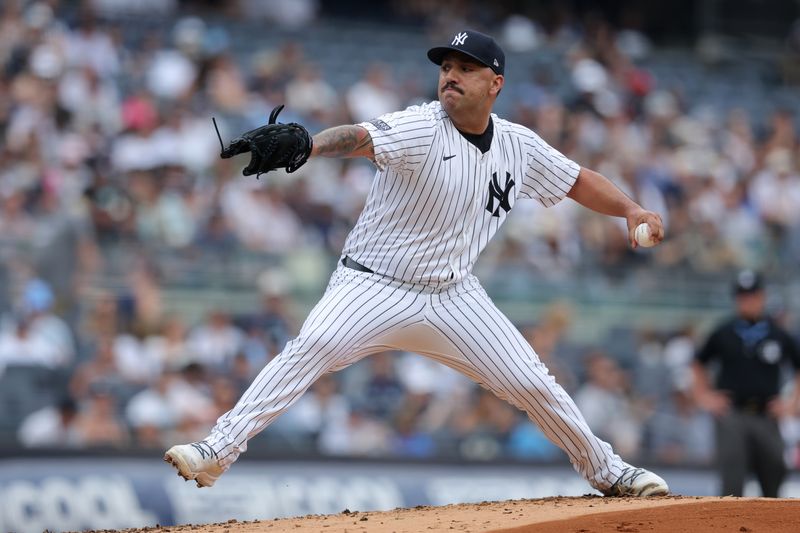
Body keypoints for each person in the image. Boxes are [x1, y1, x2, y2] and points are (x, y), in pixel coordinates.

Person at [164, 29, 669, 497]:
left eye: (465, 67)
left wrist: (630, 208)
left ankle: (609, 472)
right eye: (446, 65)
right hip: (373, 284)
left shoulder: (518, 145)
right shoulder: (420, 126)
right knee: (312, 345)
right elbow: (360, 138)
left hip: (454, 295)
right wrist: (309, 145)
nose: (450, 74)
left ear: (495, 84)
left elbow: (577, 179)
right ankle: (216, 450)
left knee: (533, 382)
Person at [693, 270, 800, 497]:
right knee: (732, 478)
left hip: (767, 415)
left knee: (775, 470)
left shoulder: (777, 334)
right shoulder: (724, 332)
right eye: (743, 296)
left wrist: (792, 404)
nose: (748, 301)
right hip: (733, 414)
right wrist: (705, 397)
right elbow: (698, 363)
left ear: (762, 297)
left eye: (752, 295)